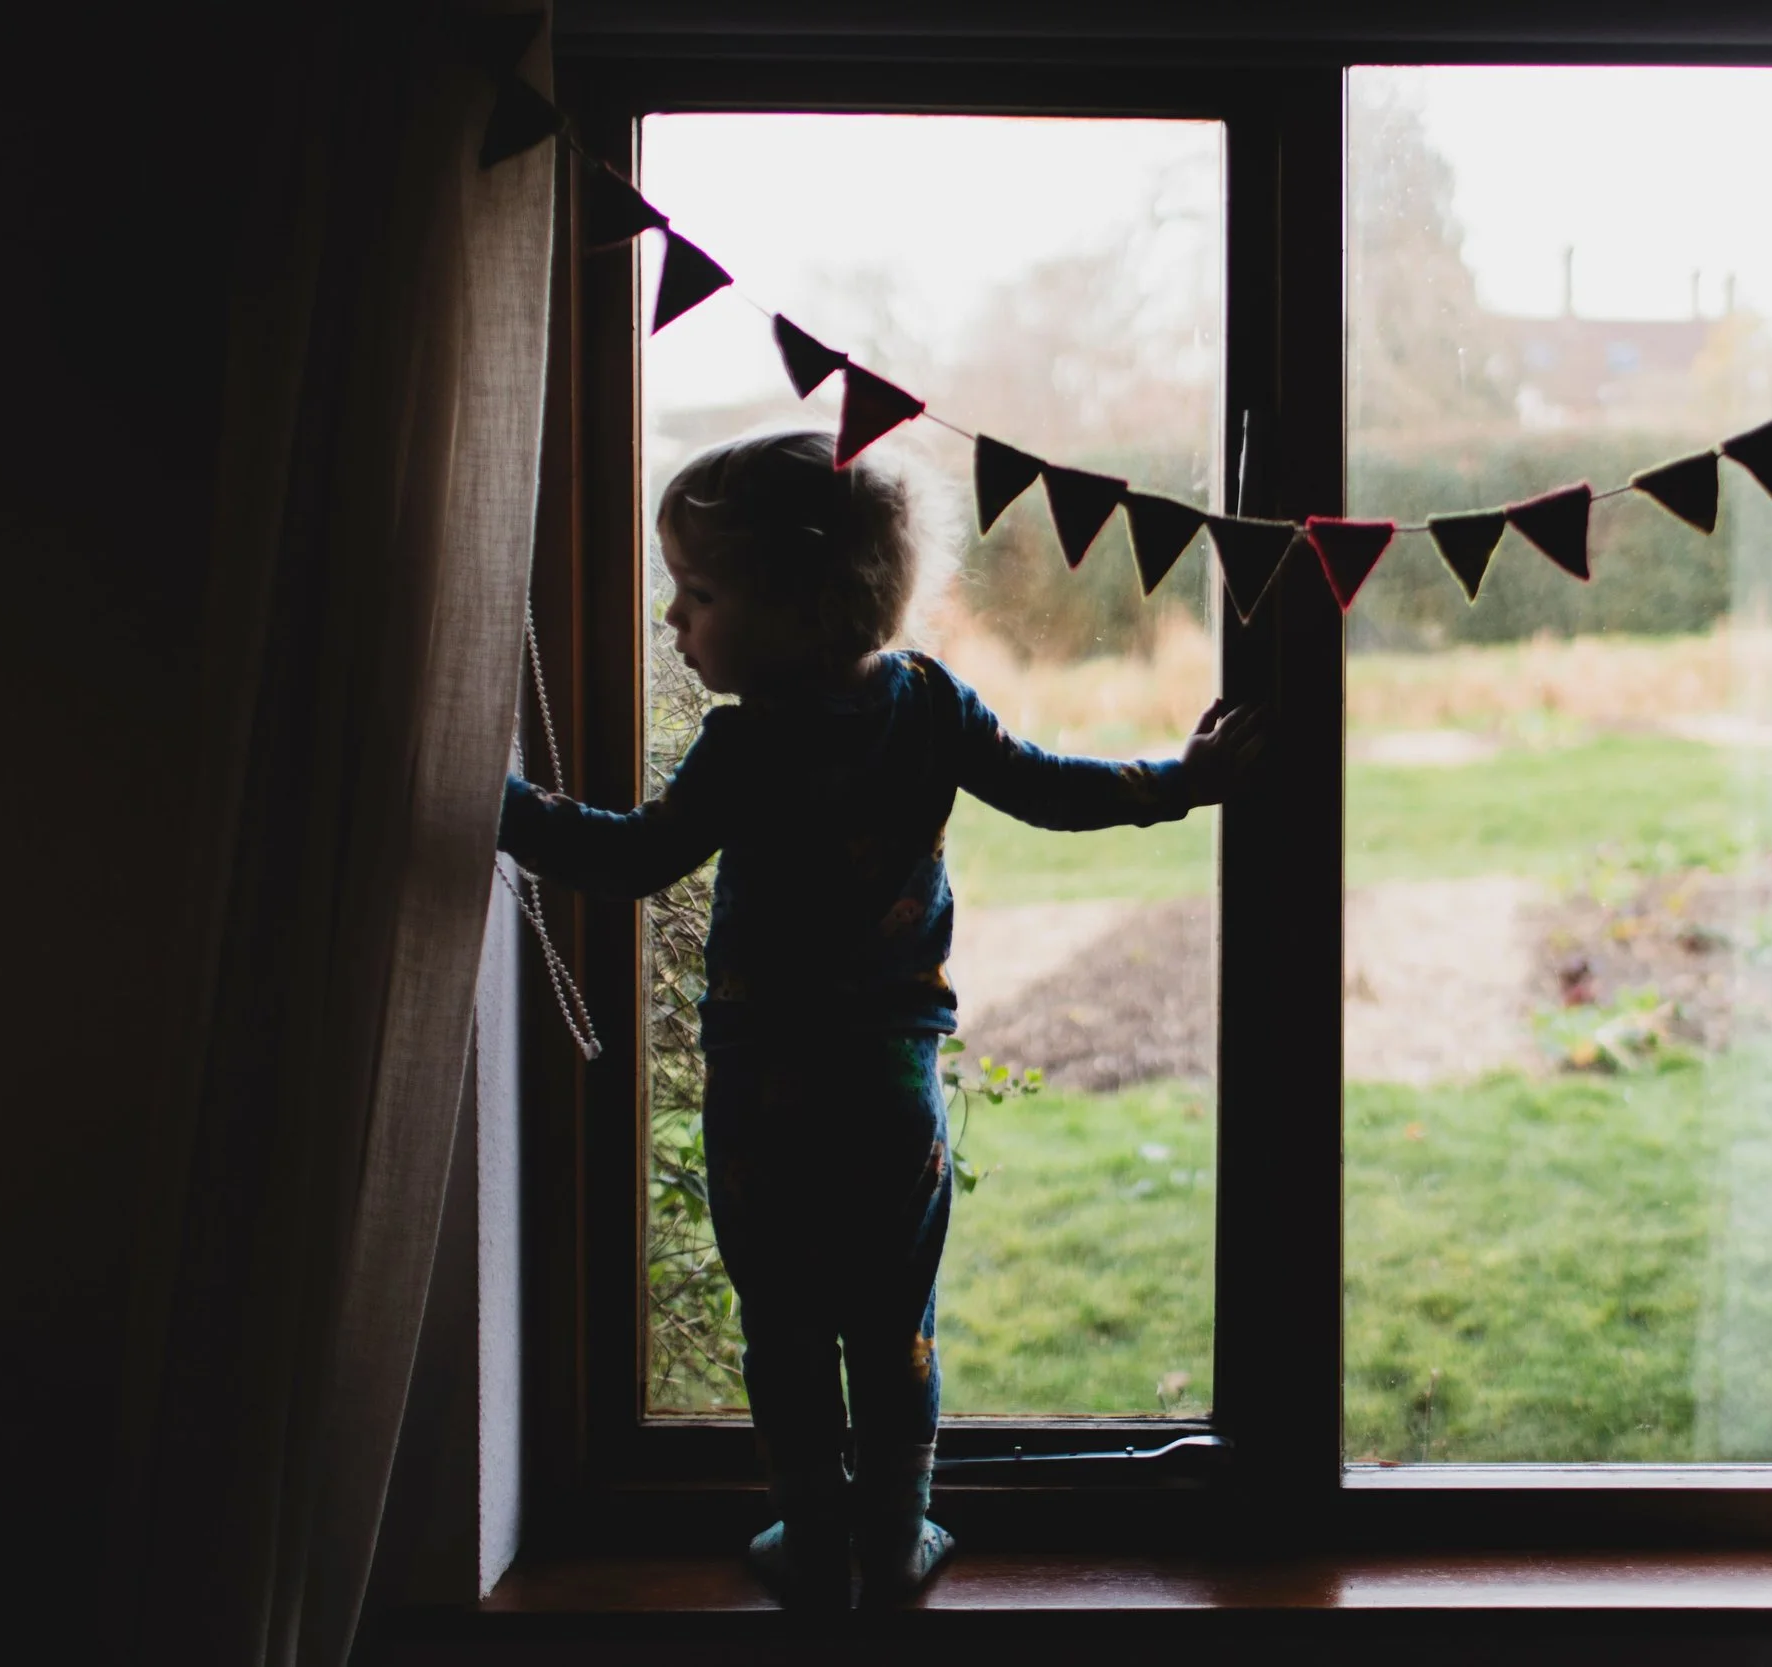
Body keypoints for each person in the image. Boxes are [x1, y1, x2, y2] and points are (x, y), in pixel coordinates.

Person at [497, 429, 1264, 1607]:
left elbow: (636, 855)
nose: (671, 620)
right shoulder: (930, 703)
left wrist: (497, 801)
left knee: (786, 1326)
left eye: (697, 594)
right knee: (892, 1321)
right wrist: (1181, 780)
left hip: (765, 1097)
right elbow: (1053, 789)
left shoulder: (742, 744)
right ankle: (896, 1538)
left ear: (798, 604)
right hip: (891, 1094)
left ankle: (812, 1540)